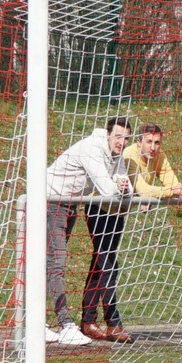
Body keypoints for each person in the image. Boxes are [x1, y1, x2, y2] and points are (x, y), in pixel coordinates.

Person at [46, 116, 133, 345]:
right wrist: (119, 187)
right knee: (55, 262)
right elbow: (107, 190)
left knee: (50, 263)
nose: (122, 142)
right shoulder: (92, 149)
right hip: (50, 201)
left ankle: (38, 322)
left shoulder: (116, 154)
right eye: (118, 136)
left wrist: (123, 186)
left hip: (69, 203)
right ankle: (64, 324)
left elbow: (125, 185)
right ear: (107, 134)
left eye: (126, 138)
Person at [120, 123, 182, 201]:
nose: (153, 148)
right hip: (111, 204)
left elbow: (173, 185)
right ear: (139, 142)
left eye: (157, 143)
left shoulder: (159, 155)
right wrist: (171, 191)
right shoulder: (129, 155)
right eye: (149, 142)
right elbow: (143, 191)